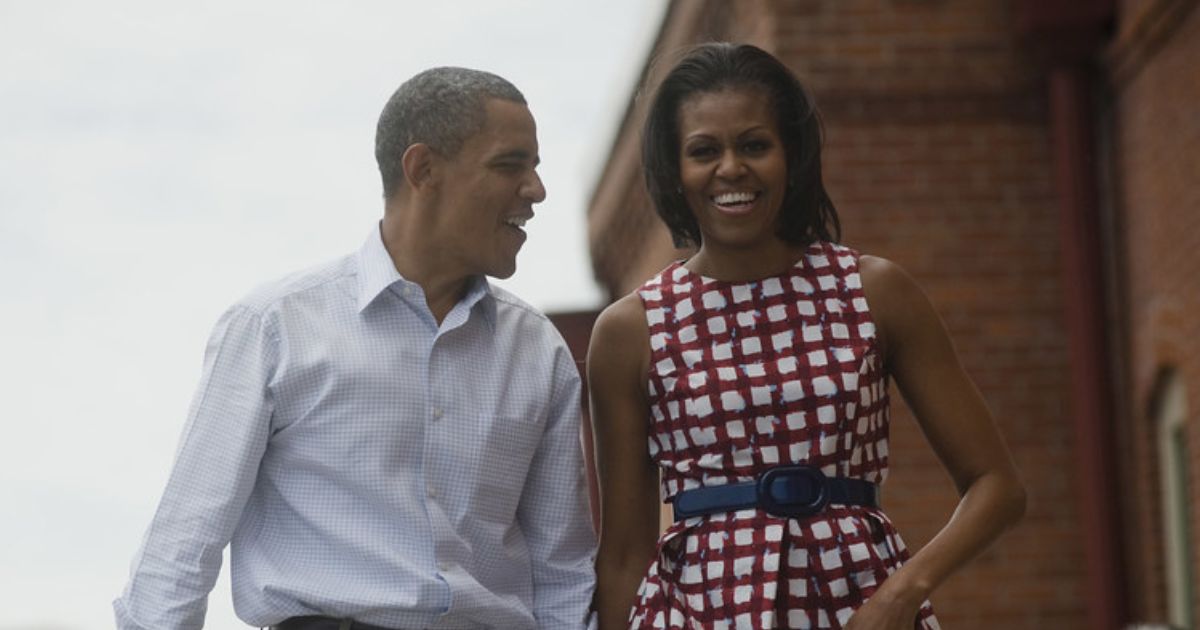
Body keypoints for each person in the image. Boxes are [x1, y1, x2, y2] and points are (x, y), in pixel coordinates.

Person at [114, 67, 597, 630]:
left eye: (535, 167)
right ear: (423, 169)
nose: (536, 190)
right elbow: (181, 548)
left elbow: (563, 571)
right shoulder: (275, 327)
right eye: (510, 165)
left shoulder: (539, 353)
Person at [588, 43, 1027, 630]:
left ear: (790, 155)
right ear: (675, 169)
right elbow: (622, 557)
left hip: (862, 607)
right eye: (703, 151)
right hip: (699, 615)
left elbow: (997, 486)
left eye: (754, 145)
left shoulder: (875, 290)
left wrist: (903, 592)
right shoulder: (629, 330)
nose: (730, 169)